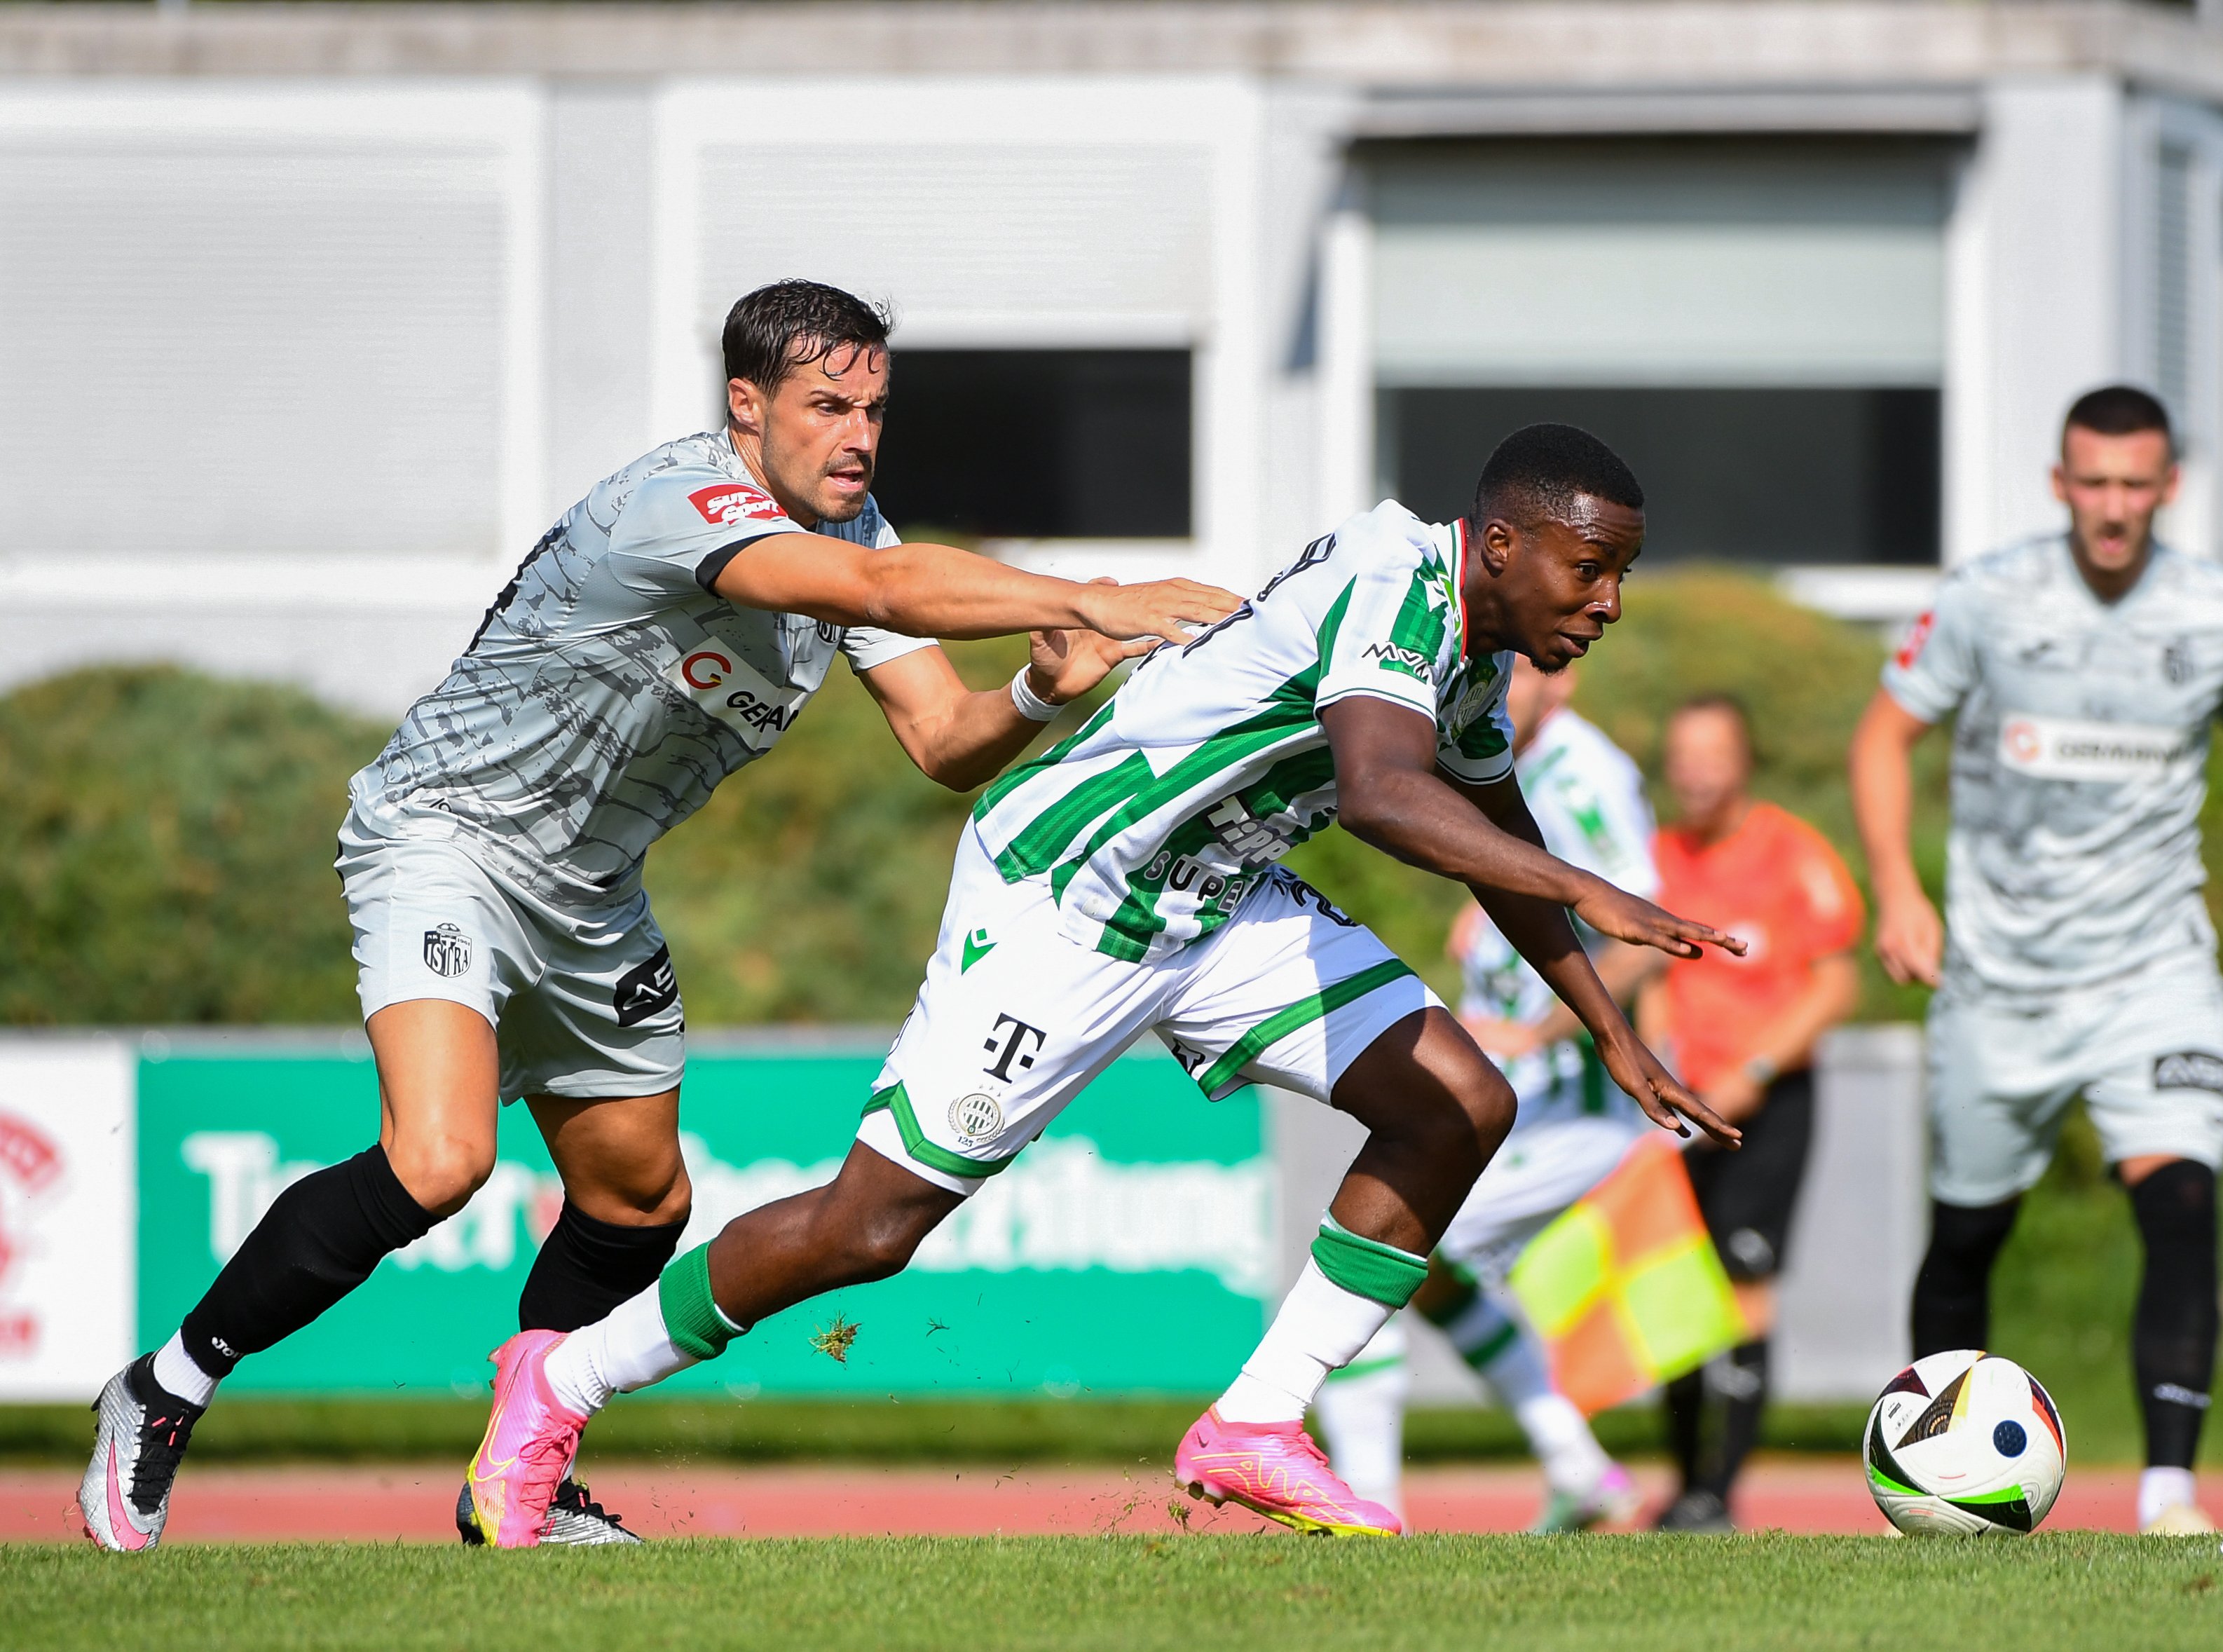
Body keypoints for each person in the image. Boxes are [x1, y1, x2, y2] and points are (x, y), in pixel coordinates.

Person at [79, 280, 1238, 1554]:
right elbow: (889, 590)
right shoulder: (684, 499)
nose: (858, 435)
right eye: (827, 405)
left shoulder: (855, 531)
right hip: (448, 836)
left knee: (637, 1201)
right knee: (441, 1158)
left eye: (874, 409)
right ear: (747, 404)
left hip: (591, 892)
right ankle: (162, 1389)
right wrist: (1084, 596)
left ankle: (520, 1478)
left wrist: (1038, 688)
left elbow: (943, 741)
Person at [454, 423, 1749, 1547]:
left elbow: (1492, 824)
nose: (1608, 602)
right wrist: (1592, 888)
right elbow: (1379, 792)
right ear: (1504, 544)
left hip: (1216, 899)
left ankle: (1255, 1422)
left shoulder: (1475, 648)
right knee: (869, 1230)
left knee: (1460, 1103)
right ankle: (560, 1382)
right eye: (1592, 567)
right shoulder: (1392, 579)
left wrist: (1608, 1027)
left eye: (1621, 574)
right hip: (1068, 890)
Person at [1851, 383, 2223, 1536]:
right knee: (1969, 1233)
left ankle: (2170, 1494)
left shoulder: (2222, 616)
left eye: (2134, 484)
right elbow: (1882, 738)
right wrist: (1899, 890)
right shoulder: (1985, 600)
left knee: (2183, 1198)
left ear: (2169, 487)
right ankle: (1935, 1483)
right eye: (2093, 482)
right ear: (2060, 484)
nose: (2112, 507)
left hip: (2155, 974)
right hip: (1999, 980)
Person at [1315, 656, 1665, 1532]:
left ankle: (1365, 1513)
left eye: (1531, 673)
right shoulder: (1497, 755)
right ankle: (1580, 1470)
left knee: (1373, 1254)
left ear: (1566, 684)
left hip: (1572, 1111)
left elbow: (1646, 929)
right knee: (1428, 1279)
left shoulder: (1582, 773)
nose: (1508, 690)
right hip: (1526, 1108)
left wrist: (1541, 1033)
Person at [1639, 695, 1861, 1533]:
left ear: (1742, 761)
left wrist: (1753, 1069)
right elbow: (1645, 971)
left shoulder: (1792, 852)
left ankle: (1718, 1491)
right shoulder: (1655, 856)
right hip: (1682, 1110)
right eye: (1681, 756)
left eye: (1710, 755)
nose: (1694, 772)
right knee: (1675, 1294)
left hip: (1768, 1106)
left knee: (1743, 1282)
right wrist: (1659, 1067)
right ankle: (1682, 1486)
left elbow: (1835, 982)